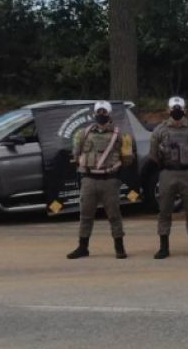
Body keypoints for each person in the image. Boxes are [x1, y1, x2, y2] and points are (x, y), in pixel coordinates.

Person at [67, 101, 134, 259]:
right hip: (89, 179)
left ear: (110, 114)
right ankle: (83, 247)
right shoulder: (82, 133)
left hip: (109, 180)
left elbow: (128, 160)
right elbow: (76, 155)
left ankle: (119, 247)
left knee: (114, 215)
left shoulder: (121, 136)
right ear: (94, 113)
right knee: (85, 215)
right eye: (99, 112)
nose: (101, 115)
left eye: (104, 112)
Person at [149, 97, 188, 259]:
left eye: (180, 107)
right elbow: (153, 154)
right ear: (168, 110)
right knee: (164, 211)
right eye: (173, 108)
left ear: (185, 110)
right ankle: (163, 247)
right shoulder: (160, 130)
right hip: (167, 173)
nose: (176, 110)